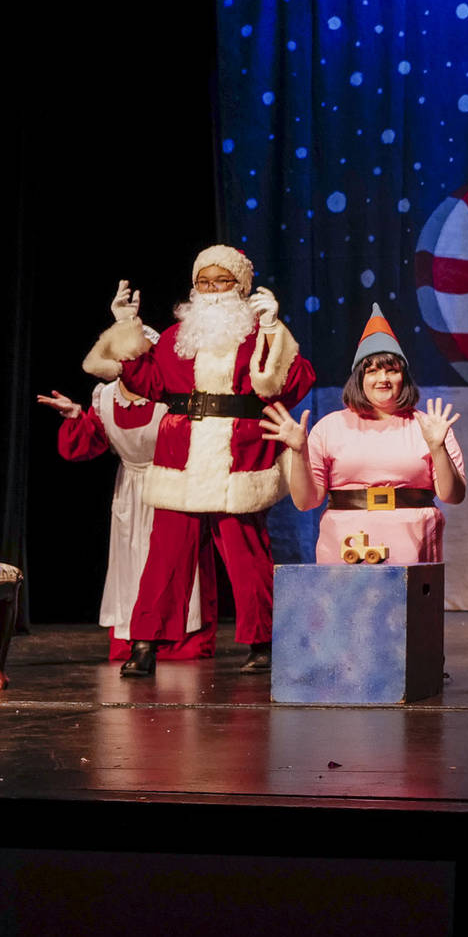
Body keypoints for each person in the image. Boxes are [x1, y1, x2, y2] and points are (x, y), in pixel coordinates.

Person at [87, 249, 316, 677]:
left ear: (241, 287)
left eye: (221, 281)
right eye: (204, 282)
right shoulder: (178, 336)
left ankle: (264, 643)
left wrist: (272, 329)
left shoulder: (258, 333)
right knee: (165, 558)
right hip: (183, 453)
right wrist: (126, 327)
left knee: (248, 555)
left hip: (238, 453)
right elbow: (148, 382)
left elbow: (289, 384)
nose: (211, 290)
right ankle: (145, 644)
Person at [41, 288, 213, 662]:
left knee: (173, 563)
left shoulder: (170, 395)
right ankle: (131, 635)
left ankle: (178, 636)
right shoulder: (104, 397)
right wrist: (75, 416)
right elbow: (90, 442)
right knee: (130, 563)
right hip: (130, 493)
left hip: (170, 483)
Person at [260, 305, 465, 565]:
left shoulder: (429, 426)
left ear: (403, 377)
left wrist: (437, 448)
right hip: (344, 547)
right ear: (359, 378)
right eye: (372, 371)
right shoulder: (330, 427)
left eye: (392, 370)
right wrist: (299, 452)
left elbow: (453, 496)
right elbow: (305, 502)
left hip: (412, 547)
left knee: (406, 593)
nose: (383, 378)